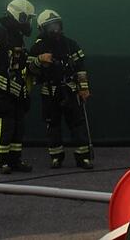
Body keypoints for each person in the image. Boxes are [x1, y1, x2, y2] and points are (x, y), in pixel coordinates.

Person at [28, 9, 93, 169]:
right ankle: (56, 157)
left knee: (77, 124)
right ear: (42, 29)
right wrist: (39, 60)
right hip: (49, 92)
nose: (55, 30)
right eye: (51, 27)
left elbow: (80, 68)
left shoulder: (71, 44)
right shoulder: (37, 48)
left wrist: (83, 88)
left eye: (57, 25)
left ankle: (83, 157)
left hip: (70, 90)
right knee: (53, 126)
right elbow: (30, 70)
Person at [0, 0, 36, 174]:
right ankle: (1, 161)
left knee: (18, 126)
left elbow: (20, 63)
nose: (29, 23)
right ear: (19, 15)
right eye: (27, 18)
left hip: (16, 89)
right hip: (3, 89)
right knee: (6, 124)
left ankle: (14, 160)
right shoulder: (1, 31)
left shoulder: (17, 36)